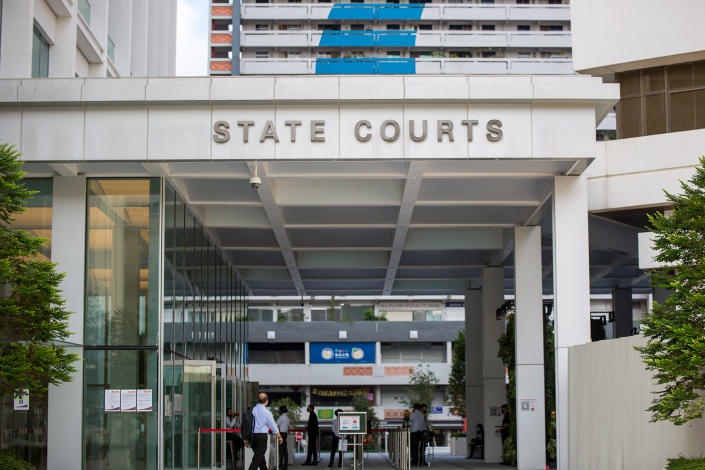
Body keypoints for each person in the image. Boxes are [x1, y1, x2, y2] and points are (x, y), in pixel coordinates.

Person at [248, 392, 283, 470]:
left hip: (252, 437)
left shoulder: (252, 410)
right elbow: (274, 427)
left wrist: (246, 439)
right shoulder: (267, 413)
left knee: (261, 460)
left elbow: (247, 425)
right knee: (257, 460)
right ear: (266, 401)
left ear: (258, 400)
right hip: (261, 437)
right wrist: (279, 436)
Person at [276, 405, 291, 470]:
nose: (279, 411)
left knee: (281, 450)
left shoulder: (281, 417)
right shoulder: (287, 418)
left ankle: (281, 464)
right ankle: (286, 465)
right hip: (285, 434)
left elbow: (275, 424)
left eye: (280, 410)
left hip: (281, 434)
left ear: (281, 411)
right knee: (285, 450)